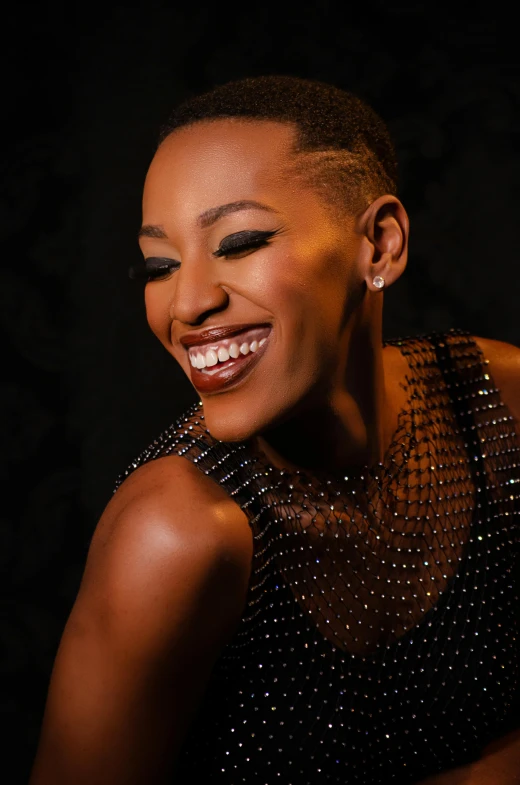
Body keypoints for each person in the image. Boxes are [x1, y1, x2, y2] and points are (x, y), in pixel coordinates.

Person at [29, 76, 519, 785]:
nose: (189, 302)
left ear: (379, 245)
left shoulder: (494, 408)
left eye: (240, 241)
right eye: (159, 264)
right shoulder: (179, 531)